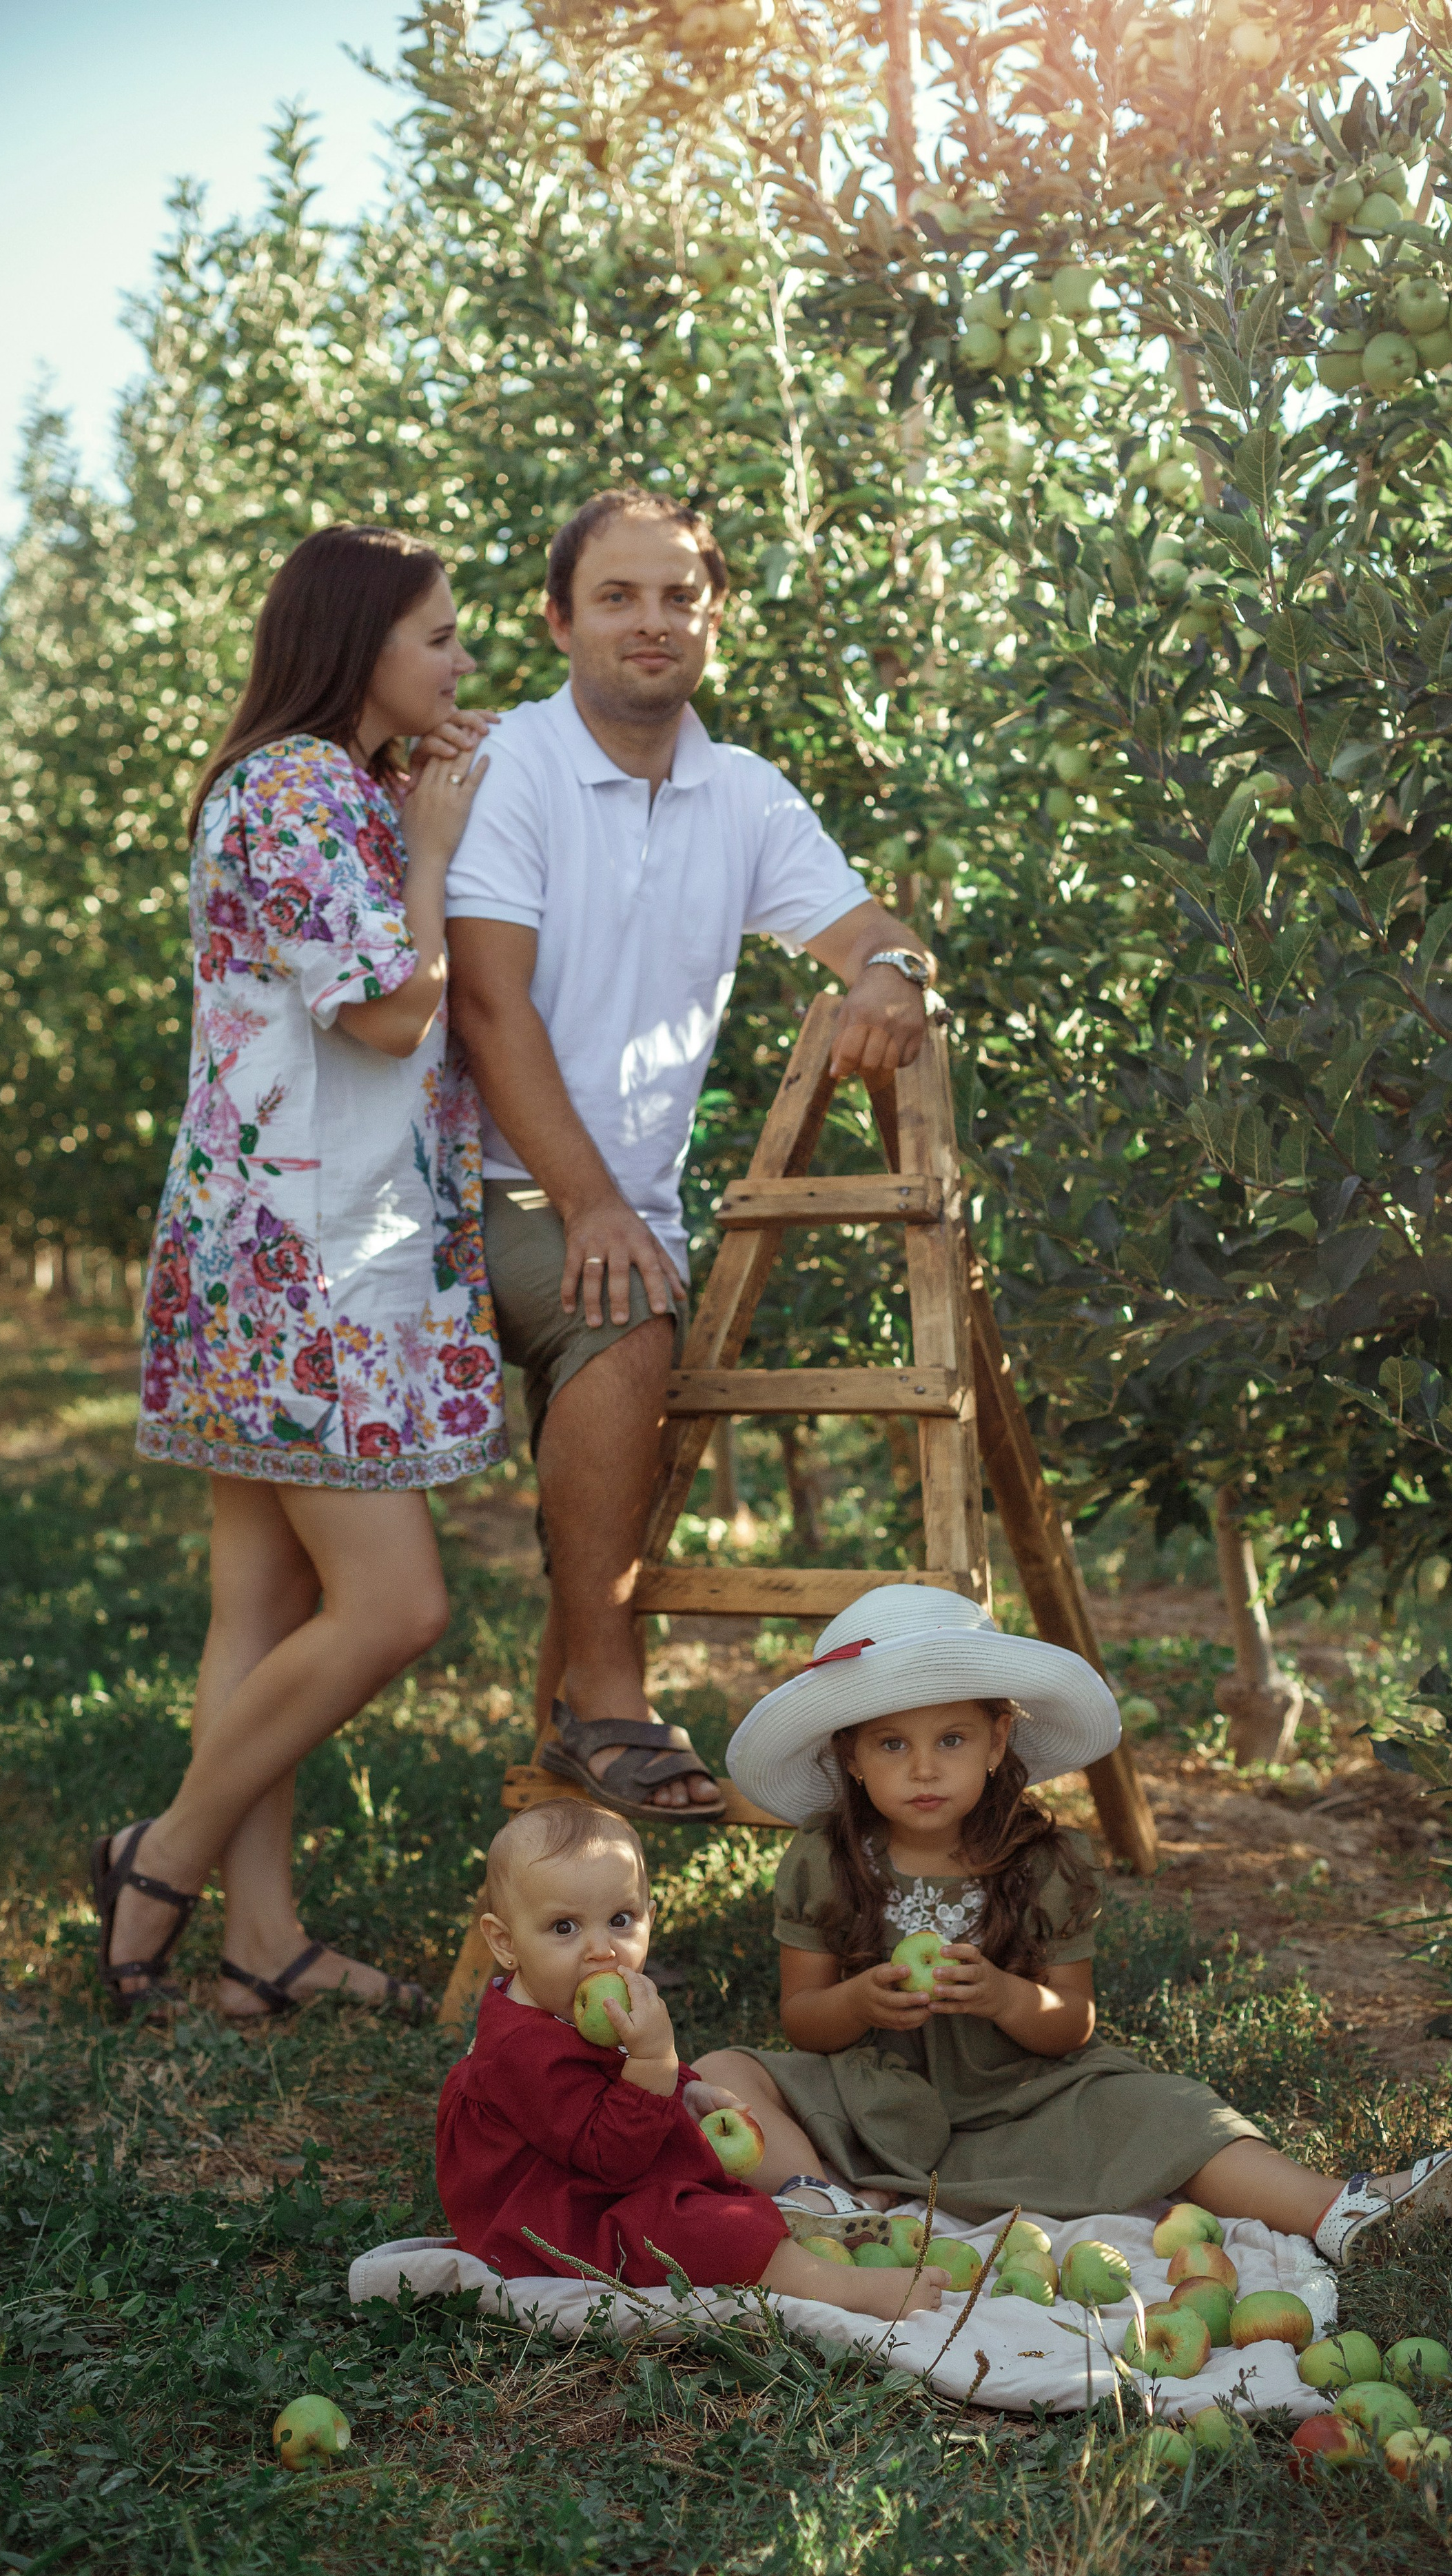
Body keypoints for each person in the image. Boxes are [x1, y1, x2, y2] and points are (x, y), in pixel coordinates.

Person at [444, 488, 940, 1825]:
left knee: (631, 1293)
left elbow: (868, 932)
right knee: (626, 1309)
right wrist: (592, 1204)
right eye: (618, 596)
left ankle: (584, 1714)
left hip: (624, 1203)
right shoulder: (512, 768)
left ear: (715, 621)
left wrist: (891, 973)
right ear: (560, 620)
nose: (651, 622)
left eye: (679, 597)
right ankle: (605, 1706)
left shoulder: (745, 796)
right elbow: (487, 1004)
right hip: (475, 1185)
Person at [96, 525, 504, 2020]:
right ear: (360, 646)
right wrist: (435, 845)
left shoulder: (326, 785)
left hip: (278, 1239)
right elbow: (388, 1015)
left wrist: (414, 793)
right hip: (302, 1261)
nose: (463, 661)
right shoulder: (294, 791)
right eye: (440, 637)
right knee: (395, 1607)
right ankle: (163, 1855)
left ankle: (260, 1942)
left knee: (261, 1605)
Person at [692, 1585, 1452, 2262]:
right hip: (870, 2099)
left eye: (951, 1738)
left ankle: (1341, 2211)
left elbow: (1070, 2026)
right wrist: (859, 2002)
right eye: (890, 1745)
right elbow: (803, 2022)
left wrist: (1005, 1997)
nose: (923, 1769)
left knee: (1172, 2112)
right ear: (849, 1755)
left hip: (1021, 2098)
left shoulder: (1044, 1863)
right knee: (722, 2070)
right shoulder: (825, 1859)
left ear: (997, 1740)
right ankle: (824, 2203)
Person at [436, 1794, 947, 2318]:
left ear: (650, 1918)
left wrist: (683, 2087)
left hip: (595, 2184)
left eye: (621, 1919)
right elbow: (611, 2158)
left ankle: (802, 2221)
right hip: (556, 2225)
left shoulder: (567, 1999)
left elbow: (605, 2083)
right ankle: (842, 2287)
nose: (601, 1950)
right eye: (564, 1927)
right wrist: (654, 2063)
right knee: (708, 2230)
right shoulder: (519, 2050)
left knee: (713, 2194)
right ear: (505, 1942)